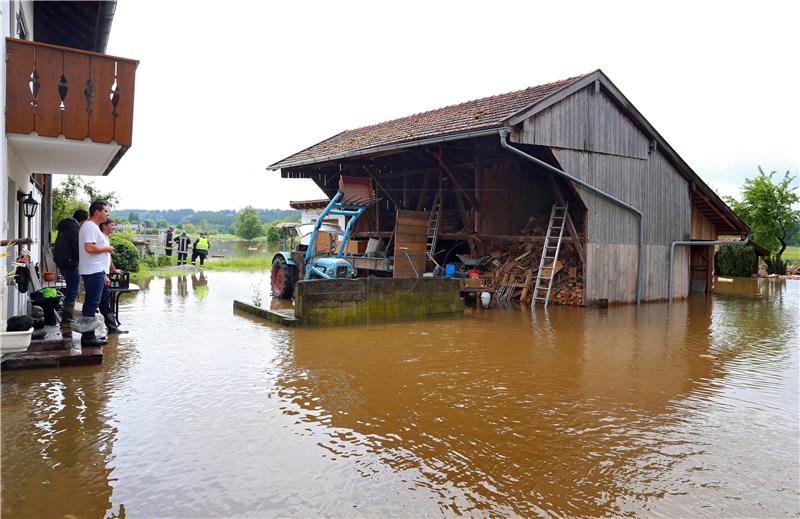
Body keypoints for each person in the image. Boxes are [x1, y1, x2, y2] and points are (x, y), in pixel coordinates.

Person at [73, 200, 113, 347]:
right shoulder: (90, 226)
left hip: (95, 270)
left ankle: (88, 334)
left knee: (91, 301)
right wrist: (107, 248)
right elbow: (89, 248)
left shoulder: (92, 226)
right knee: (92, 302)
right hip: (93, 270)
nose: (107, 214)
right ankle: (88, 337)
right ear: (97, 211)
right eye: (106, 211)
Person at [53, 209, 88, 338]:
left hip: (62, 263)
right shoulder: (74, 229)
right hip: (70, 264)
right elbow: (77, 248)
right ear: (83, 220)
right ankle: (66, 321)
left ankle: (66, 319)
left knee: (71, 290)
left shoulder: (65, 226)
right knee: (73, 291)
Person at [98, 219, 127, 334]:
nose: (113, 227)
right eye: (112, 225)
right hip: (100, 274)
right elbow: (98, 259)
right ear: (104, 226)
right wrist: (104, 275)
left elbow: (107, 256)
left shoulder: (106, 238)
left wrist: (114, 269)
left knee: (103, 301)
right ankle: (112, 328)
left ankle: (110, 327)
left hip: (103, 273)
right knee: (103, 301)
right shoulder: (100, 237)